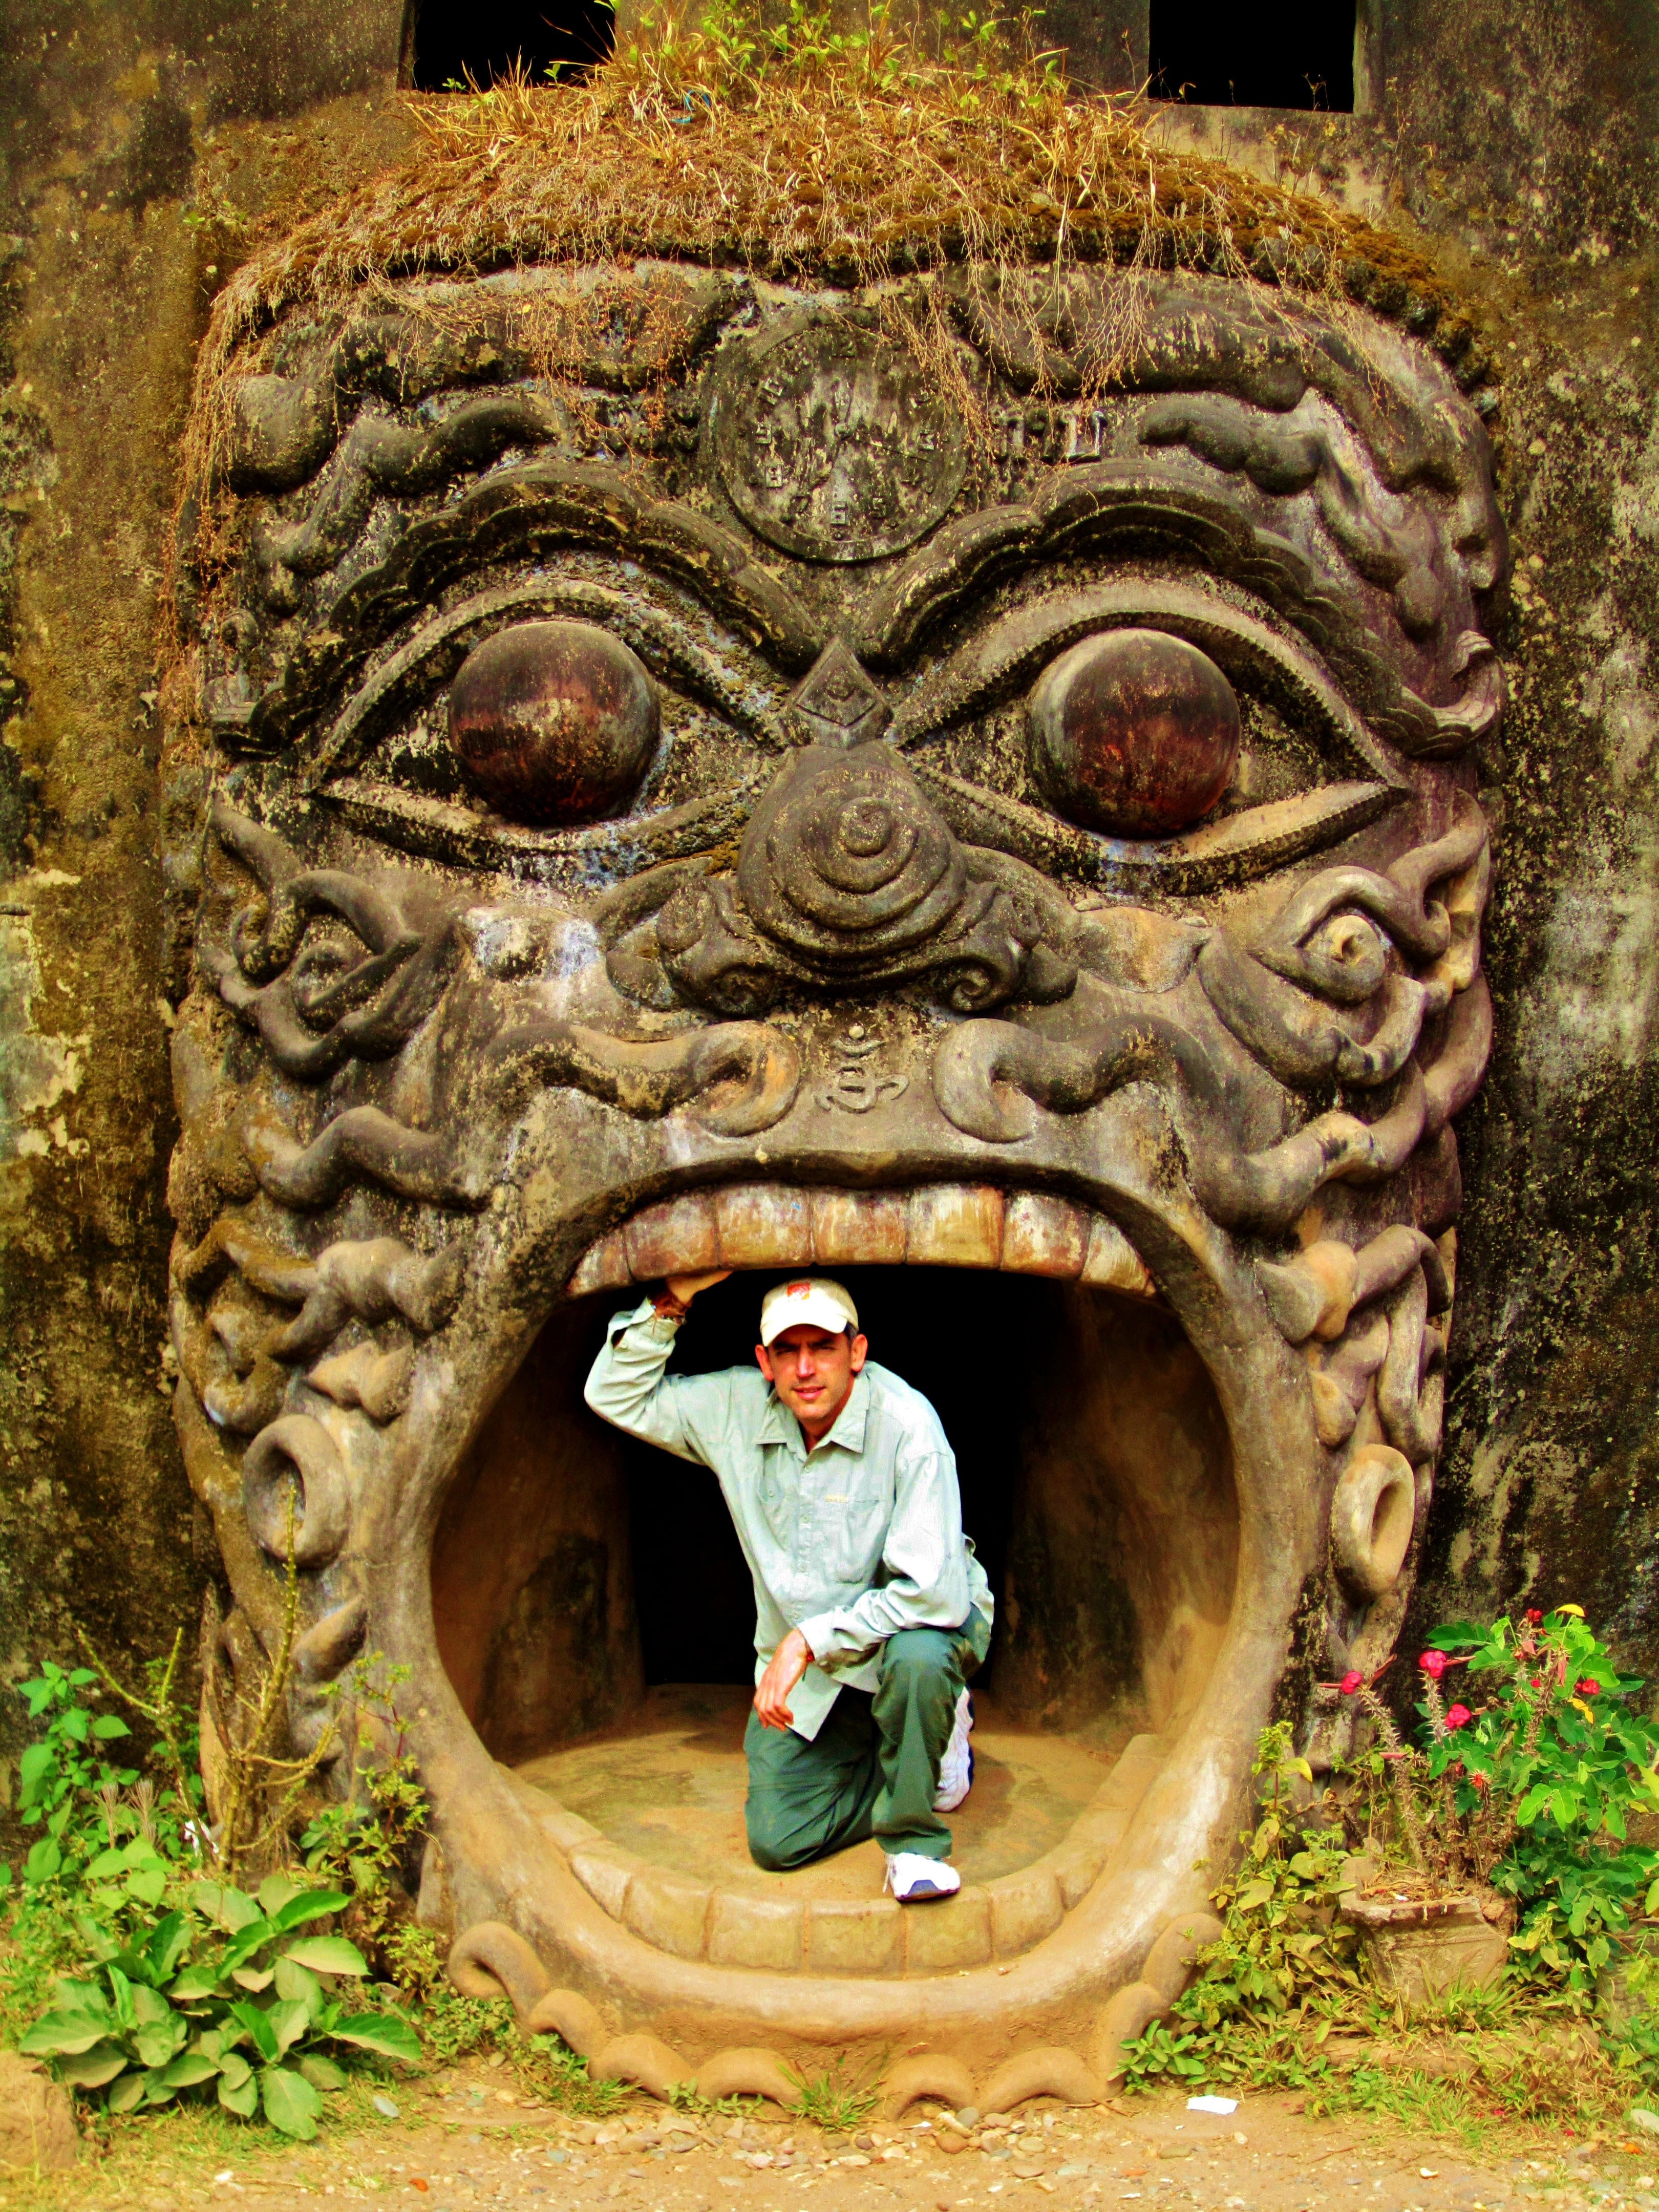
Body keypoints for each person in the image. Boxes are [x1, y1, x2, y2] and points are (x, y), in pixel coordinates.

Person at [583, 1269, 993, 1901]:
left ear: (857, 1352)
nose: (805, 1369)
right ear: (764, 1361)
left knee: (919, 1657)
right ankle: (914, 1753)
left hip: (917, 1631)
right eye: (787, 1350)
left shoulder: (909, 1424)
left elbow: (933, 1595)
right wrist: (674, 1298)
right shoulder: (737, 1407)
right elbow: (614, 1395)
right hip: (820, 1675)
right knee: (778, 1840)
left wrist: (806, 1639)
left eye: (823, 1347)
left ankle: (914, 1838)